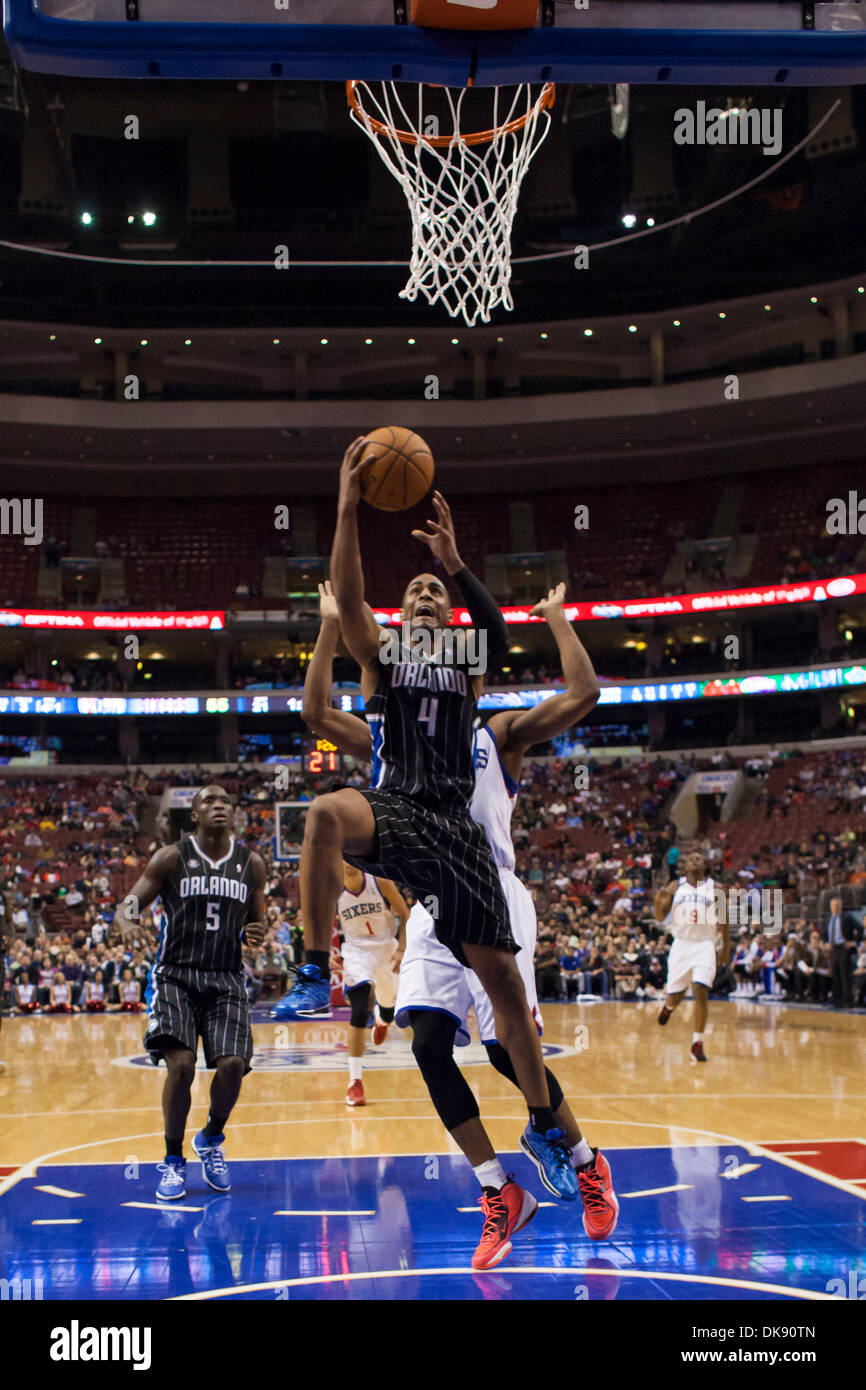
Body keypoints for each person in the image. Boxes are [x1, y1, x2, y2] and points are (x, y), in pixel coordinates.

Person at [276, 442, 579, 1200]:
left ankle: (546, 1124)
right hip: (398, 812)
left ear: (447, 614)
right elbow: (350, 602)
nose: (421, 597)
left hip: (458, 834)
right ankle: (315, 969)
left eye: (431, 595)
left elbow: (501, 639)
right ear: (397, 612)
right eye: (410, 590)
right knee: (320, 814)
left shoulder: (466, 664)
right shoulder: (381, 661)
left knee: (507, 1003)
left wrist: (454, 566)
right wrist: (346, 507)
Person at [301, 577, 618, 1268]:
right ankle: (498, 1189)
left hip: (493, 887)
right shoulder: (394, 730)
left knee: (507, 1050)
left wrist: (560, 621)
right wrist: (331, 624)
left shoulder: (495, 731)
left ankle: (586, 1160)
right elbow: (320, 715)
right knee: (427, 1045)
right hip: (427, 893)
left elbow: (583, 695)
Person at [115, 785, 266, 1201]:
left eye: (226, 802)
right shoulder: (170, 857)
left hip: (226, 978)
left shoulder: (252, 864)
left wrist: (257, 931)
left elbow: (258, 921)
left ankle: (211, 1138)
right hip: (175, 976)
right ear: (194, 816)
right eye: (209, 802)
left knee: (233, 1064)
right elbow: (129, 903)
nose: (220, 806)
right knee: (180, 1066)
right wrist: (129, 923)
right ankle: (172, 1159)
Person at [333, 861, 409, 1108]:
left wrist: (401, 948)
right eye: (344, 858)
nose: (349, 864)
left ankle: (382, 1018)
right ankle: (355, 1081)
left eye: (352, 858)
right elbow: (321, 920)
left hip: (385, 946)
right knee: (359, 1004)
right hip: (355, 949)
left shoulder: (380, 880)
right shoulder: (333, 887)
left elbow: (405, 914)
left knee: (390, 1007)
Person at [653, 850, 730, 1062]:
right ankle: (668, 1007)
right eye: (691, 858)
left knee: (701, 990)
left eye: (699, 857)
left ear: (705, 865)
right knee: (675, 996)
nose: (695, 859)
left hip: (705, 945)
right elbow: (660, 917)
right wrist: (656, 903)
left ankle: (697, 1043)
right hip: (681, 945)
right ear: (684, 866)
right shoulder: (675, 887)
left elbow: (724, 921)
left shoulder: (717, 888)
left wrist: (725, 950)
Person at [825, 895, 863, 1009]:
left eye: (837, 905)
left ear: (841, 906)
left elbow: (860, 928)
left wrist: (854, 942)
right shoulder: (829, 918)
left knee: (844, 976)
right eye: (833, 905)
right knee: (835, 975)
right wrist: (826, 942)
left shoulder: (847, 916)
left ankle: (848, 1001)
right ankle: (837, 1001)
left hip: (844, 948)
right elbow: (824, 932)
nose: (835, 908)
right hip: (833, 949)